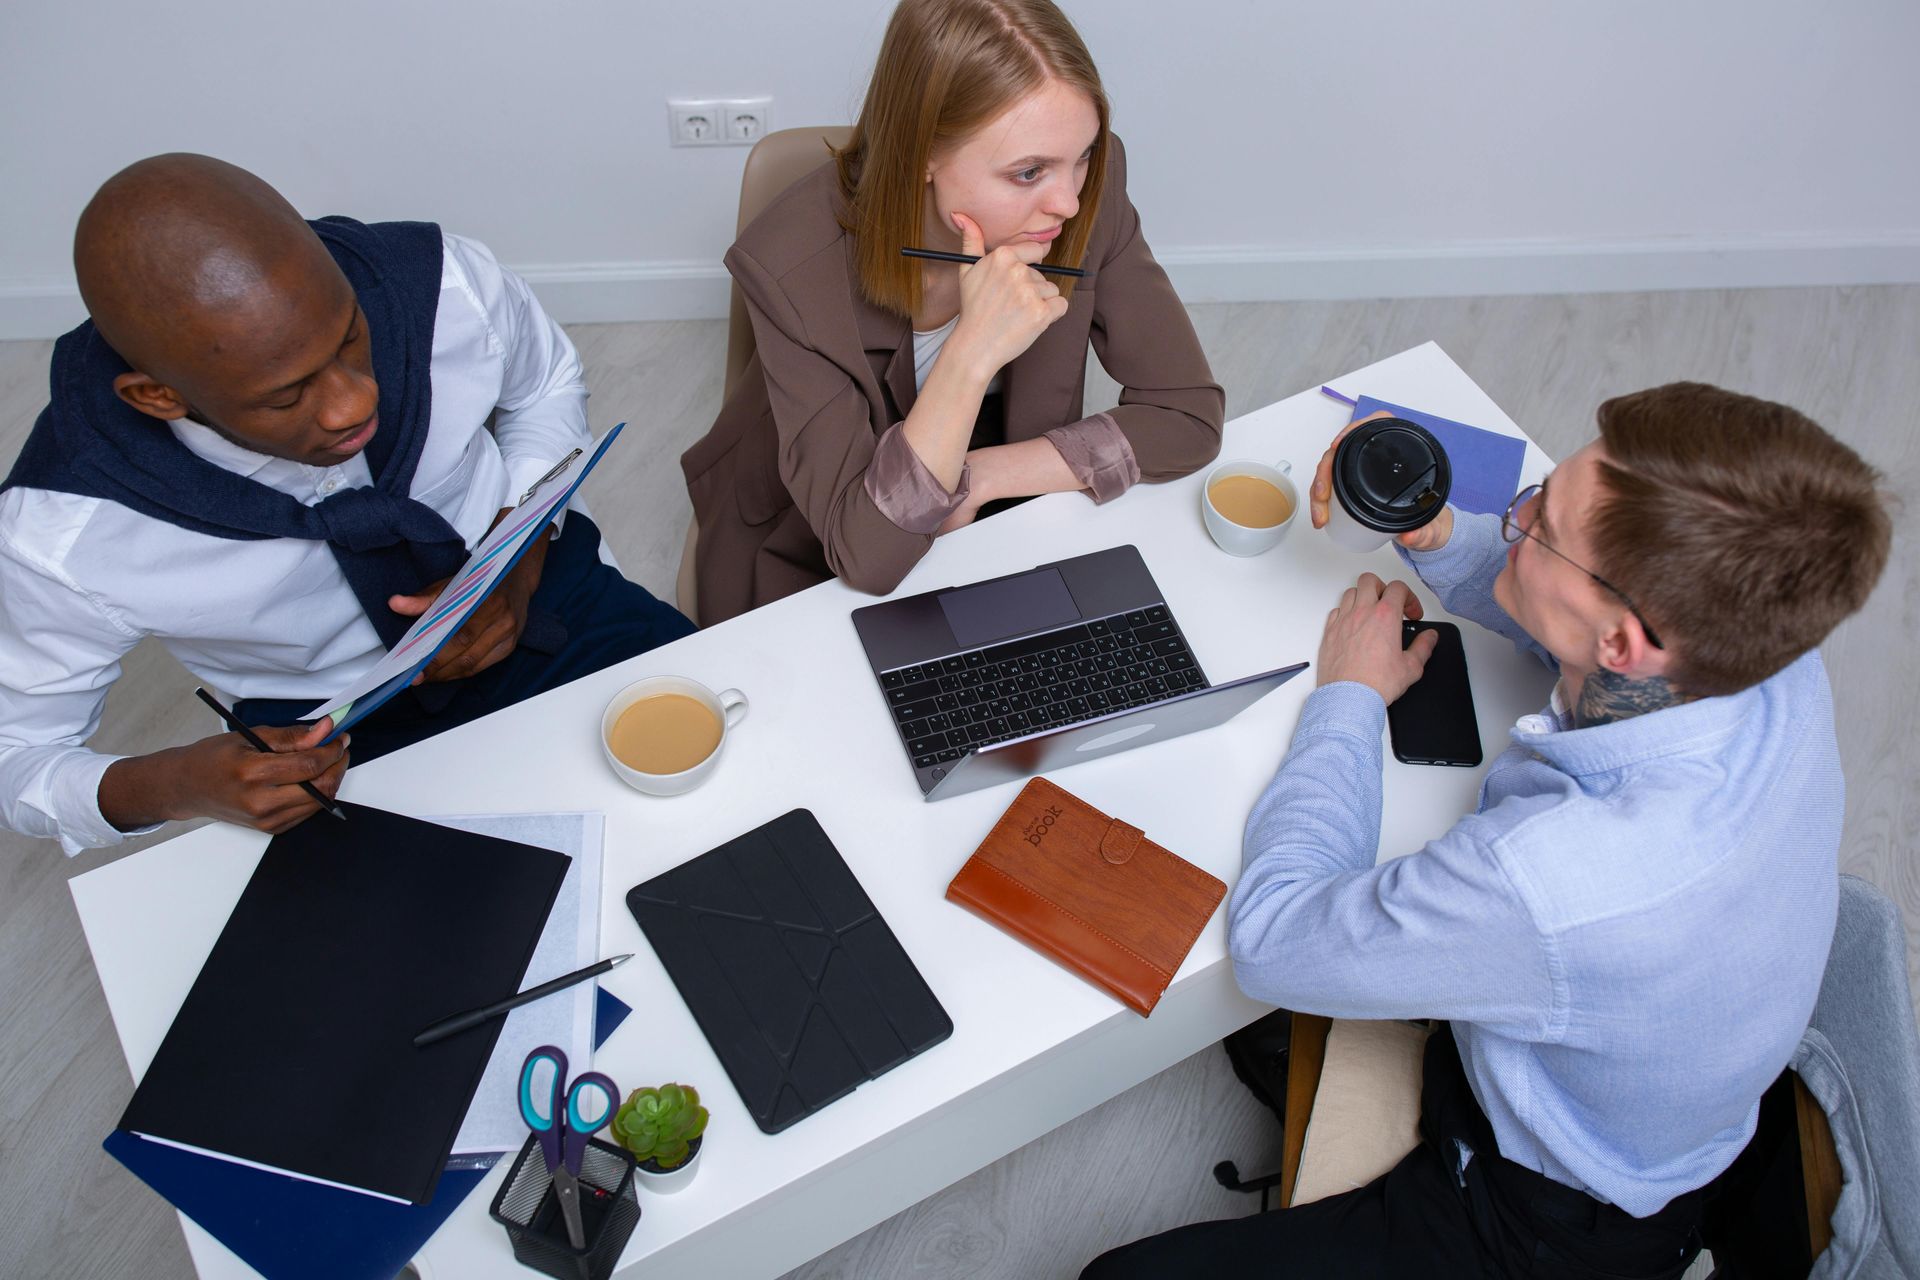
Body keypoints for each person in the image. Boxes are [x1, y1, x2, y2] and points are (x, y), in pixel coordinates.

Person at [1083, 384, 1892, 1278]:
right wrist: (1440, 535)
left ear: (1622, 641)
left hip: (1543, 1223)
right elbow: (1589, 645)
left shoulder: (1561, 879)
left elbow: (1273, 937)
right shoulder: (1769, 655)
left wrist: (1347, 695)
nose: (1511, 517)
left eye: (1540, 526)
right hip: (1663, 1110)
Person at [0, 154, 694, 853]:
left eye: (351, 337)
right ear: (159, 397)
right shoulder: (64, 535)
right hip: (329, 737)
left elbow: (544, 388)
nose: (355, 403)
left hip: (547, 590)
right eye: (286, 394)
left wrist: (517, 554)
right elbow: (17, 756)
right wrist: (177, 784)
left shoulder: (441, 284)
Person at [679, 0, 1224, 624]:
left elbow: (1188, 414)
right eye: (1027, 172)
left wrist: (985, 475)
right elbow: (868, 553)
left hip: (989, 505)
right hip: (811, 538)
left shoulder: (1084, 185)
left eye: (1083, 155)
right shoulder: (787, 264)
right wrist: (971, 352)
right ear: (923, 157)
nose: (1070, 202)